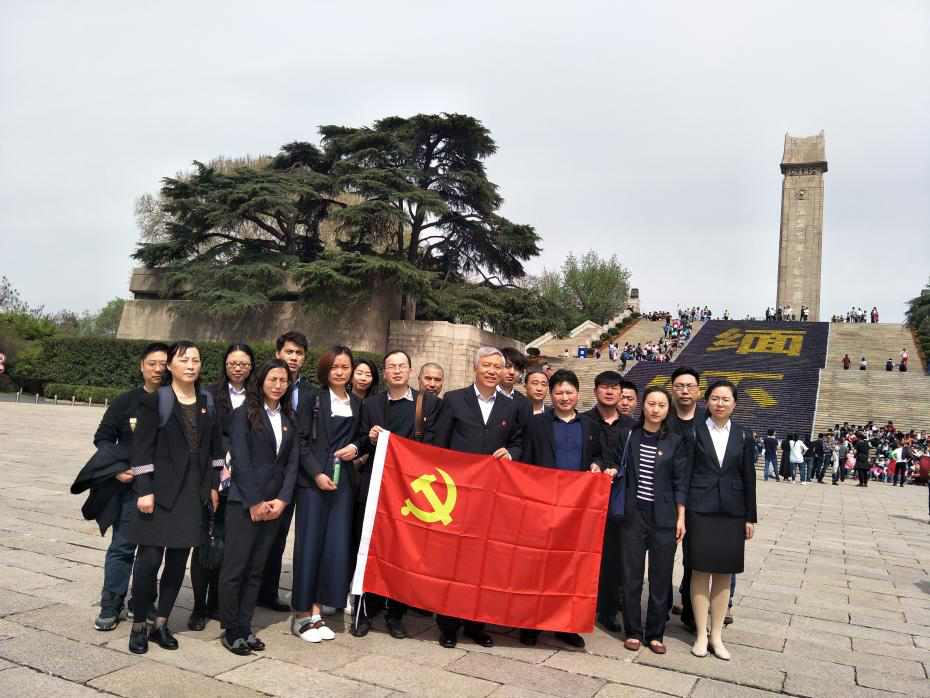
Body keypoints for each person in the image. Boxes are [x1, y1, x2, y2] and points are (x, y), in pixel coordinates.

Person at [126, 340, 225, 654]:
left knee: (177, 564)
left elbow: (215, 449)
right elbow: (140, 449)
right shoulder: (157, 401)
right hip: (159, 494)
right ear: (169, 366)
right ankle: (139, 624)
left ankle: (161, 624)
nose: (192, 365)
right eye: (184, 360)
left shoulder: (208, 400)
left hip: (193, 496)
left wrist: (213, 484)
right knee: (148, 562)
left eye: (196, 360)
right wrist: (144, 490)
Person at [432, 347, 523, 649]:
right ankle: (447, 625)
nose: (493, 371)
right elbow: (440, 446)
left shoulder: (511, 407)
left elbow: (519, 443)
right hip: (458, 496)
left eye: (498, 366)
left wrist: (512, 453)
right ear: (475, 368)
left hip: (493, 498)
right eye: (487, 365)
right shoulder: (454, 400)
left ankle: (476, 624)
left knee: (484, 562)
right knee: (453, 560)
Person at [349, 350, 442, 639]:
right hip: (375, 486)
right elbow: (360, 441)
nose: (397, 371)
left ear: (410, 370)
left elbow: (434, 448)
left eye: (402, 366)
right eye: (392, 367)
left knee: (404, 551)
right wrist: (370, 439)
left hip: (409, 493)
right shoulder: (372, 404)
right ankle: (363, 611)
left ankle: (396, 613)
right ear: (385, 372)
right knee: (367, 547)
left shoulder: (429, 404)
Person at [84, 342, 169, 631]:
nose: (158, 369)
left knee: (153, 550)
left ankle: (142, 601)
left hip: (164, 490)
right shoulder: (125, 402)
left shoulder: (176, 402)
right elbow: (103, 438)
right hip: (131, 487)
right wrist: (118, 468)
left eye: (163, 363)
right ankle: (112, 601)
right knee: (122, 546)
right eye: (152, 363)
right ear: (142, 366)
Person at [518, 369, 604, 649]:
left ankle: (565, 625)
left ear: (578, 394)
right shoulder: (537, 424)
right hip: (542, 507)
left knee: (570, 568)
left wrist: (597, 466)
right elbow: (526, 461)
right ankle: (529, 623)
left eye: (569, 392)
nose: (564, 397)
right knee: (536, 567)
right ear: (550, 395)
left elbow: (599, 455)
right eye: (559, 392)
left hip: (576, 511)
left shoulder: (590, 425)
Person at [218, 359, 299, 655]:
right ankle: (230, 628)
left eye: (283, 381)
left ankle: (245, 625)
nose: (278, 385)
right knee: (235, 568)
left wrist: (282, 499)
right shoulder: (244, 415)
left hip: (275, 505)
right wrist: (254, 501)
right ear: (261, 381)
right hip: (245, 503)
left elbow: (292, 463)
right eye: (273, 379)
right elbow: (239, 459)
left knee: (255, 570)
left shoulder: (290, 415)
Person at [291, 346, 361, 643]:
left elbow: (360, 436)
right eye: (334, 366)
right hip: (313, 482)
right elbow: (300, 440)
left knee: (333, 546)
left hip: (342, 483)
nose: (340, 371)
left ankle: (318, 611)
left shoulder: (357, 403)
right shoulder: (312, 399)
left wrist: (356, 447)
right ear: (325, 369)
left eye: (345, 367)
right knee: (308, 546)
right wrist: (315, 474)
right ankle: (301, 615)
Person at [686, 380, 756, 661]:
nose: (720, 403)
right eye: (715, 398)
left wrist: (750, 516)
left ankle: (717, 634)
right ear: (707, 401)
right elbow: (687, 472)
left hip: (732, 510)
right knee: (699, 570)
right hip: (699, 508)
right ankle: (701, 634)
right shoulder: (694, 432)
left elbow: (748, 476)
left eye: (726, 399)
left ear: (734, 404)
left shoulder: (742, 434)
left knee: (724, 573)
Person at [188, 343, 255, 632]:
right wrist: (215, 478)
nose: (237, 368)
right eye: (232, 363)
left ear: (252, 366)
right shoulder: (210, 394)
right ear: (224, 365)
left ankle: (217, 602)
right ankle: (198, 606)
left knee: (228, 546)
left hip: (244, 482)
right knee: (205, 541)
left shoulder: (258, 396)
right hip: (213, 477)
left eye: (243, 363)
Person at [618, 387, 688, 654]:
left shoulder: (676, 441)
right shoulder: (630, 435)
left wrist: (681, 517)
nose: (655, 409)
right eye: (651, 403)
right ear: (643, 406)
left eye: (661, 405)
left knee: (660, 577)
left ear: (667, 409)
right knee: (632, 576)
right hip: (633, 515)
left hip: (665, 517)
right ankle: (634, 631)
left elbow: (680, 480)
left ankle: (656, 633)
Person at [258, 331, 312, 613]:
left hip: (290, 476)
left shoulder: (311, 392)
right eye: (289, 352)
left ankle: (267, 591)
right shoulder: (262, 384)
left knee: (277, 537)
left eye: (299, 353)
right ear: (278, 352)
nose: (293, 357)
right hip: (258, 473)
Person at [586, 371, 635, 633]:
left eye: (614, 387)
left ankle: (607, 610)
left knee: (613, 556)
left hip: (618, 500)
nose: (609, 391)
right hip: (586, 500)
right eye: (604, 387)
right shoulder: (584, 421)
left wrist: (616, 469)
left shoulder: (630, 426)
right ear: (595, 391)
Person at [665, 367, 704, 632]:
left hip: (700, 499)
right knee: (664, 555)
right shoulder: (663, 419)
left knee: (695, 557)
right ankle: (662, 606)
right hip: (667, 497)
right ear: (672, 389)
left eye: (690, 386)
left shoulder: (709, 420)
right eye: (679, 386)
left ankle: (691, 612)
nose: (685, 391)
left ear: (699, 391)